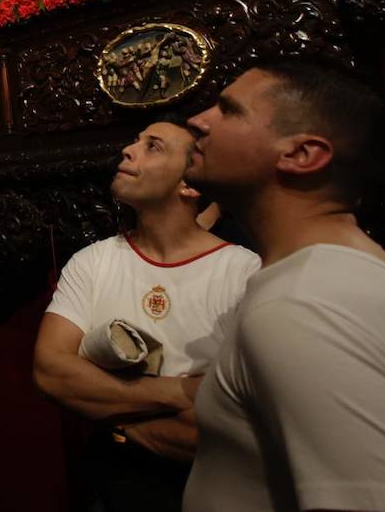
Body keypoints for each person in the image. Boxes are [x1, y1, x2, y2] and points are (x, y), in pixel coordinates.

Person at [182, 62, 385, 512]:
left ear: (302, 154)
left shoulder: (305, 303)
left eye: (228, 110)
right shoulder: (336, 272)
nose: (198, 121)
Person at [33, 117, 259, 512]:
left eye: (152, 146)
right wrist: (180, 392)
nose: (128, 150)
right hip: (112, 483)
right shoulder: (92, 262)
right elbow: (51, 371)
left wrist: (109, 413)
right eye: (135, 140)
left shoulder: (244, 272)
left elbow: (237, 420)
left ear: (189, 184)